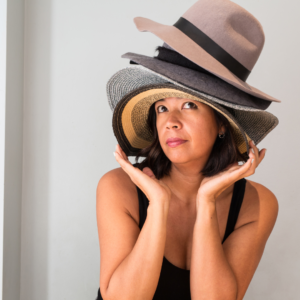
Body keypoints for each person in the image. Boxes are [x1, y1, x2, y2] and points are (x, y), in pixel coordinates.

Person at [95, 0, 281, 299]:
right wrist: (157, 205)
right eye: (162, 107)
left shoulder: (256, 204)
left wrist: (206, 202)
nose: (171, 122)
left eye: (190, 105)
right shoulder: (118, 187)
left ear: (223, 123)